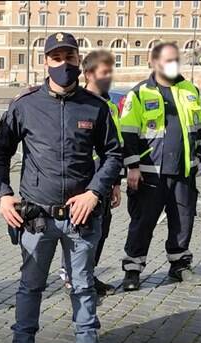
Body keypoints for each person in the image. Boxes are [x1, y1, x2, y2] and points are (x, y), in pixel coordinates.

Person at [0, 32, 122, 343]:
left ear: (79, 60)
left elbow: (113, 155)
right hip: (36, 217)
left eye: (69, 56)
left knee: (82, 287)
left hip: (81, 218)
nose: (63, 64)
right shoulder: (25, 105)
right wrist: (3, 195)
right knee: (30, 287)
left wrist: (96, 191)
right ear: (44, 61)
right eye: (56, 57)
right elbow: (0, 153)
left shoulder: (95, 107)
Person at [119, 42, 201, 290]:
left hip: (183, 172)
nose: (173, 65)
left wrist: (198, 156)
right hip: (150, 173)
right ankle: (133, 270)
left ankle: (179, 265)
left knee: (183, 220)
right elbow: (128, 133)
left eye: (175, 60)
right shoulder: (139, 93)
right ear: (154, 62)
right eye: (168, 60)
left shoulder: (190, 90)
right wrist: (132, 166)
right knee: (142, 222)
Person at [59, 50, 122, 298]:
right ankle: (71, 276)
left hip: (103, 183)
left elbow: (114, 149)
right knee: (78, 235)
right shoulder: (77, 103)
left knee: (101, 232)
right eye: (104, 72)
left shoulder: (108, 105)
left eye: (110, 72)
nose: (109, 77)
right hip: (82, 185)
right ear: (88, 74)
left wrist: (116, 182)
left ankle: (88, 274)